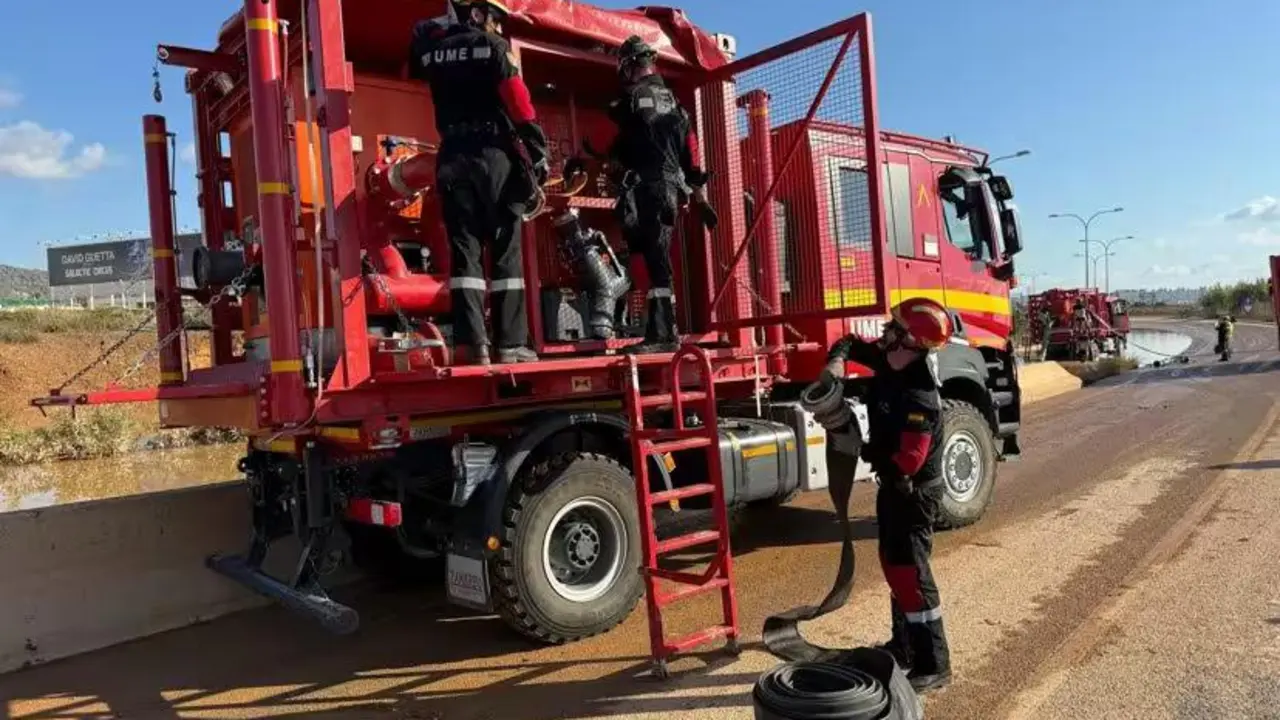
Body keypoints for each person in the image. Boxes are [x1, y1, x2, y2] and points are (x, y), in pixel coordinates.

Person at [823, 297, 954, 694]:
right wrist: (836, 363)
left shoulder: (919, 396)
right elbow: (848, 342)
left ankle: (934, 663)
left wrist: (863, 448)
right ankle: (905, 648)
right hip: (893, 490)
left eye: (893, 329)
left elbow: (908, 462)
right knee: (893, 567)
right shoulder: (888, 361)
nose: (884, 333)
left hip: (913, 496)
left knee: (911, 574)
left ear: (910, 344)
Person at [408, 0, 549, 365]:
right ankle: (512, 344)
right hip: (492, 157)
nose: (498, 26)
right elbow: (519, 103)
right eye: (494, 17)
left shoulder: (433, 50)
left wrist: (438, 28)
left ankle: (474, 345)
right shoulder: (495, 48)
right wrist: (537, 150)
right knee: (505, 251)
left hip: (452, 156)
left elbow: (417, 50)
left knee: (464, 254)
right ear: (476, 13)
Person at [606, 35, 711, 354]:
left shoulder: (631, 99)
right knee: (655, 256)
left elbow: (621, 144)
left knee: (655, 259)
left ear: (631, 66)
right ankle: (658, 331)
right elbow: (692, 156)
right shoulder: (678, 108)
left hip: (645, 189)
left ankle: (664, 335)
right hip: (668, 189)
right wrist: (700, 195)